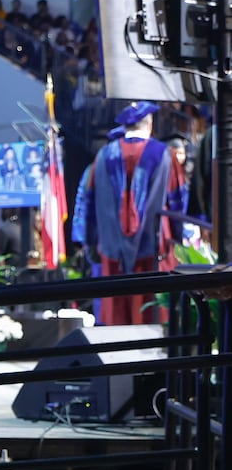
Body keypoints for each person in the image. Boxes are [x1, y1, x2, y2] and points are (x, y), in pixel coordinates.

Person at [76, 102, 188, 325]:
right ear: (149, 124)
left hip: (111, 248)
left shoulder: (102, 156)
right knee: (151, 309)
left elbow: (88, 203)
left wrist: (90, 241)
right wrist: (177, 236)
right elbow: (177, 200)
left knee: (115, 309)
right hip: (154, 246)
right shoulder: (164, 154)